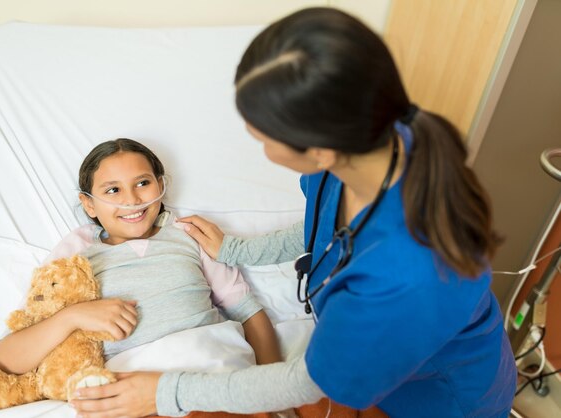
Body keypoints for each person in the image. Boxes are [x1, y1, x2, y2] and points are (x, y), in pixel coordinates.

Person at [70, 7, 517, 418]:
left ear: (320, 150)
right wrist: (237, 248)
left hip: (435, 402)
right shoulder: (361, 149)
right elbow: (323, 229)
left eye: (263, 137)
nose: (259, 147)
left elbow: (308, 381)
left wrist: (166, 392)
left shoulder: (407, 271)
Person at [0, 138, 285, 398]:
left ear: (161, 185)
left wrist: (272, 393)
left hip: (212, 370)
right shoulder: (77, 253)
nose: (131, 200)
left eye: (143, 183)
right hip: (134, 388)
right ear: (89, 205)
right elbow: (4, 358)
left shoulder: (189, 234)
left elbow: (249, 313)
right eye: (113, 190)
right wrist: (73, 316)